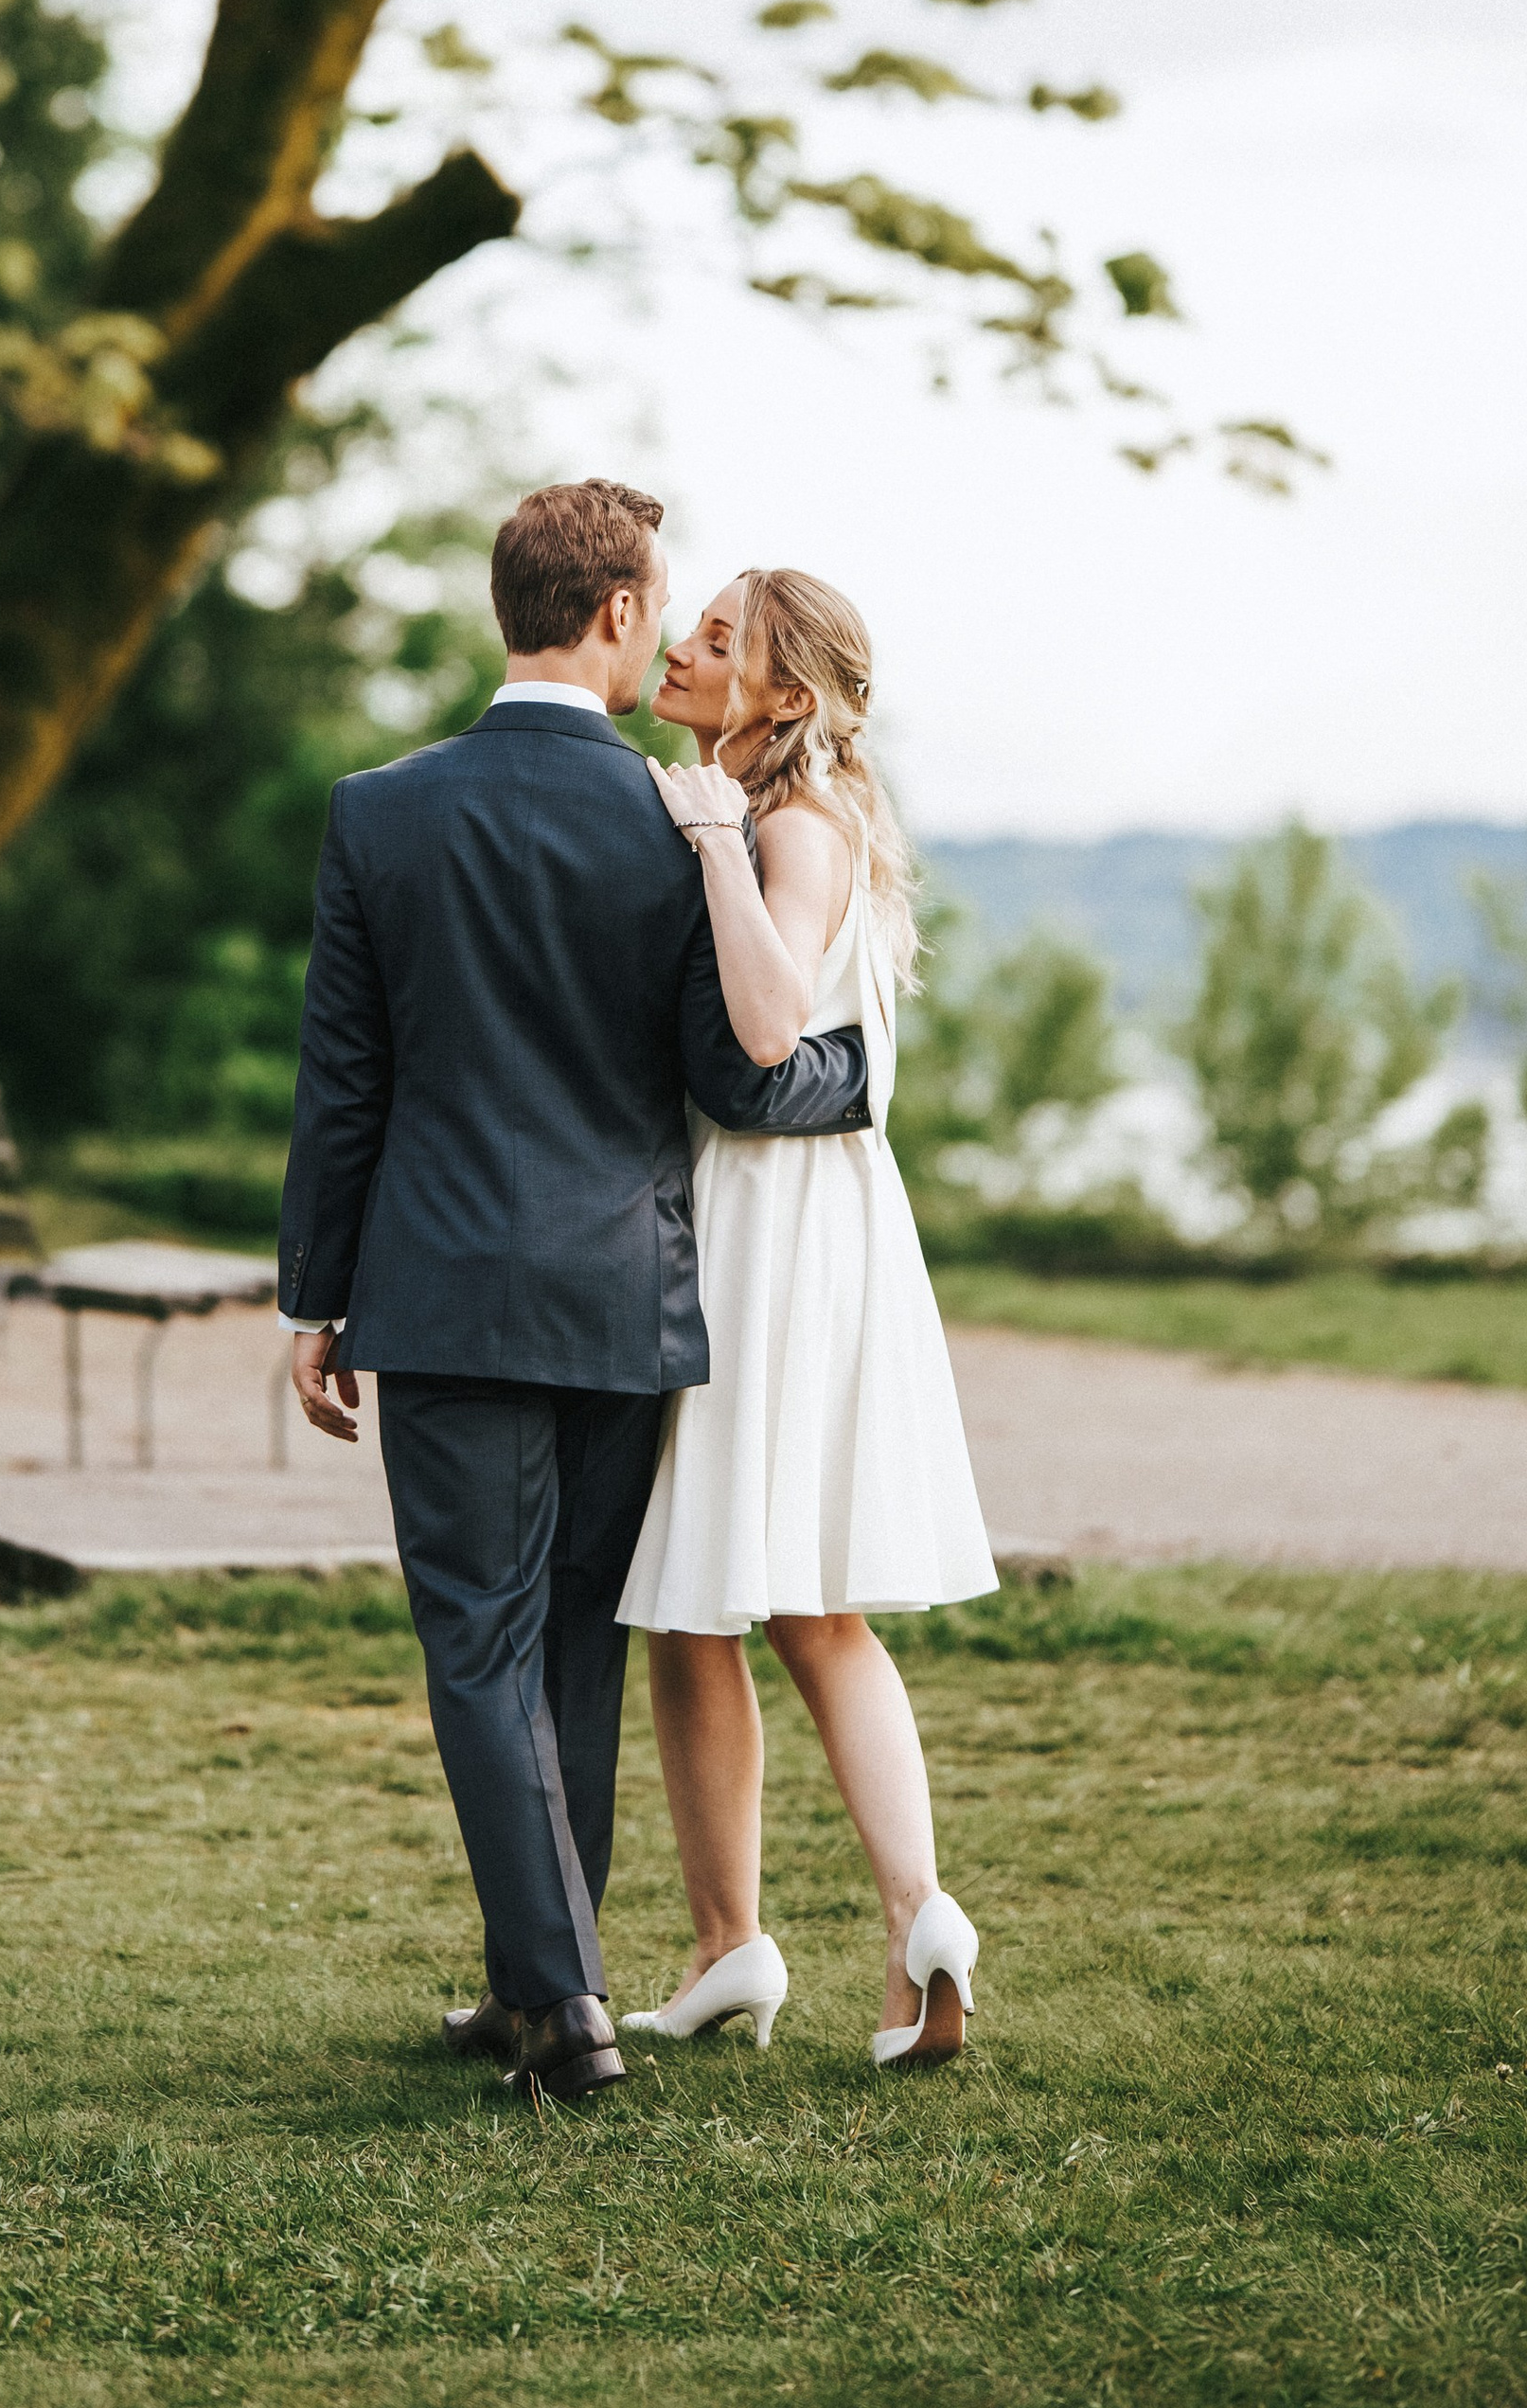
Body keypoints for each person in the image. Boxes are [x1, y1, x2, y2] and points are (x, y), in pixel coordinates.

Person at [278, 483, 875, 2104]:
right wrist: (862, 1079)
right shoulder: (690, 821)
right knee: (568, 1651)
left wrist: (309, 1301)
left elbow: (348, 1084)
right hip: (628, 1300)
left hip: (444, 1293)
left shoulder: (380, 811)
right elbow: (736, 1075)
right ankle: (542, 1977)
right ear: (616, 611)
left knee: (478, 1646)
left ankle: (564, 2003)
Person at [616, 567, 997, 2071]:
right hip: (806, 1209)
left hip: (766, 1224)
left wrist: (711, 837)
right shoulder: (795, 804)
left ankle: (803, 1930)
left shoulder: (784, 820)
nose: (688, 645)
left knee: (728, 1587)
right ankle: (847, 1930)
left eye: (723, 639)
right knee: (760, 1599)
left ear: (783, 695)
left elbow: (771, 1024)